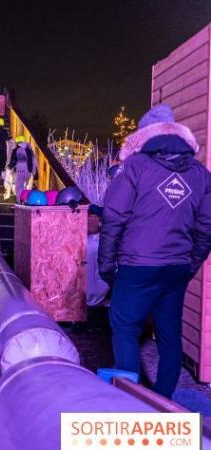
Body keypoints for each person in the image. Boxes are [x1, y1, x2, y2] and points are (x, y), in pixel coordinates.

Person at [98, 104, 211, 399]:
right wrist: (190, 264)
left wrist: (107, 265)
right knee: (170, 335)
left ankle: (131, 400)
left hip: (137, 265)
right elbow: (206, 226)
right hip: (176, 268)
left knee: (124, 326)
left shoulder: (135, 167)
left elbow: (113, 217)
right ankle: (163, 400)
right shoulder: (200, 173)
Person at [7, 136, 36, 203]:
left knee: (19, 186)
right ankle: (26, 200)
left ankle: (19, 202)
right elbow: (33, 160)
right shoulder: (29, 150)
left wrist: (10, 166)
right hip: (28, 171)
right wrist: (33, 171)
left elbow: (14, 160)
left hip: (20, 170)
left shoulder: (16, 150)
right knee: (26, 186)